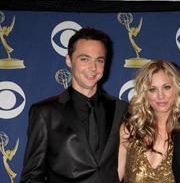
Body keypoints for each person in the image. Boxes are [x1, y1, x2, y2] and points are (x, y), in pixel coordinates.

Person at [20, 27, 128, 183]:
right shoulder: (45, 112)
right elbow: (32, 177)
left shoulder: (120, 109)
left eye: (99, 60)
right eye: (84, 59)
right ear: (69, 60)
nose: (93, 68)